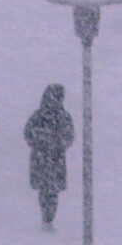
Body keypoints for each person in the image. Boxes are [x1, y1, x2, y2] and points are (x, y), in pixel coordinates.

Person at [23, 84, 74, 228]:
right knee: (52, 190)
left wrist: (39, 143)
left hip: (40, 157)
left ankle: (46, 216)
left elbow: (27, 134)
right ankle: (48, 218)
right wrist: (57, 144)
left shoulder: (37, 115)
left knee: (44, 188)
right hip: (56, 158)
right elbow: (69, 137)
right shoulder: (64, 116)